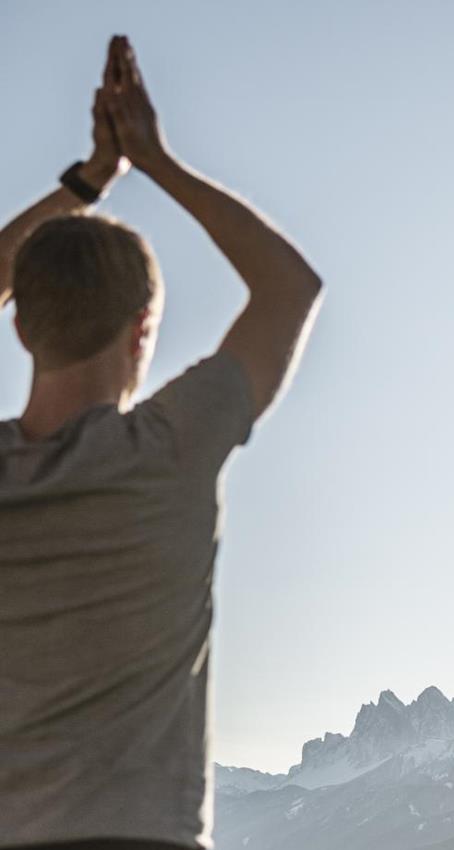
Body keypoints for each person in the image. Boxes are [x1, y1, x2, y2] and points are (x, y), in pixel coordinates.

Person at [0, 37, 323, 850]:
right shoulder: (172, 447)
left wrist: (87, 181)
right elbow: (290, 287)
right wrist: (152, 158)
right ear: (144, 330)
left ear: (18, 323)